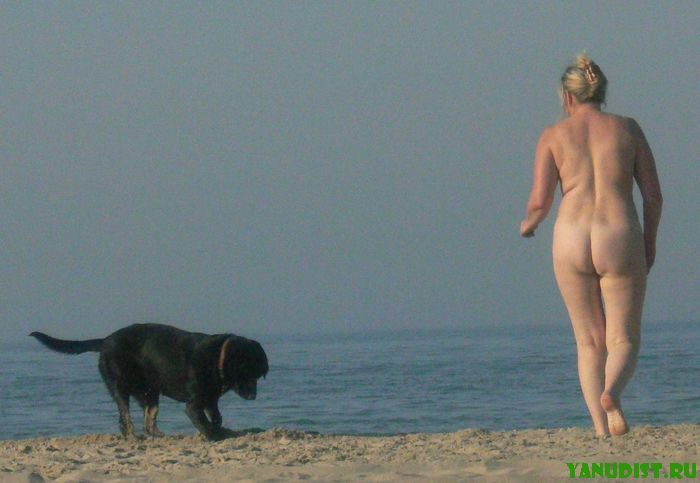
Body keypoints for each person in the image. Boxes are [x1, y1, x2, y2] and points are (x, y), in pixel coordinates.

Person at [520, 53, 662, 437]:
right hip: (618, 233)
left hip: (571, 236)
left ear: (567, 96)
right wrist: (649, 243)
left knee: (588, 343)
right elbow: (652, 196)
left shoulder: (553, 136)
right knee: (623, 338)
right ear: (601, 91)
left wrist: (529, 224)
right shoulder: (628, 129)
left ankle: (600, 430)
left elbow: (540, 202)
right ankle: (611, 393)